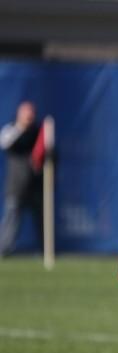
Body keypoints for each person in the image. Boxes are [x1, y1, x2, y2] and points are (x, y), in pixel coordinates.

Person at [0, 101, 43, 257]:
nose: (29, 117)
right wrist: (21, 127)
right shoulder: (11, 129)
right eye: (26, 113)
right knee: (11, 219)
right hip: (16, 185)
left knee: (42, 220)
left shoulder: (39, 132)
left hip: (36, 186)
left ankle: (46, 251)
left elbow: (48, 150)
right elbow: (5, 143)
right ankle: (4, 250)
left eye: (31, 113)